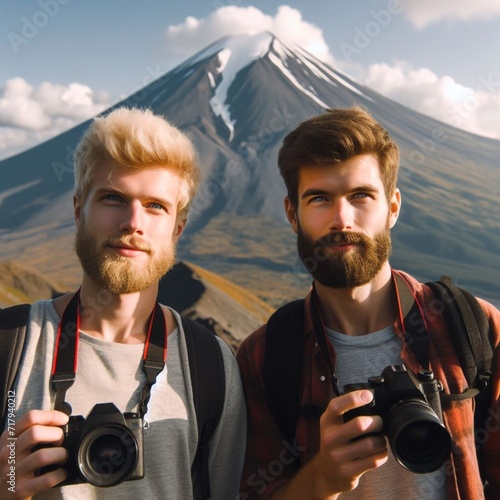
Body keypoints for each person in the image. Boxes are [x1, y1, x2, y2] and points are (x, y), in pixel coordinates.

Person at [236, 107, 500, 499]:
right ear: (293, 214)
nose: (341, 219)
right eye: (319, 198)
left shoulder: (472, 326)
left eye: (360, 195)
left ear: (392, 206)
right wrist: (322, 478)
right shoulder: (266, 356)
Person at [0, 107, 246, 499]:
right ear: (79, 209)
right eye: (114, 198)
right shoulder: (9, 344)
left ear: (177, 228)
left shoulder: (211, 365)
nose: (133, 222)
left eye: (155, 206)